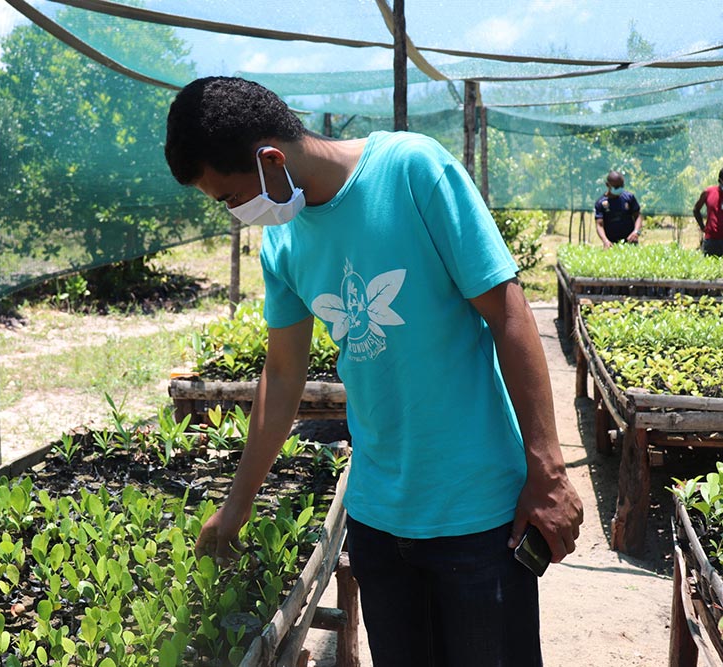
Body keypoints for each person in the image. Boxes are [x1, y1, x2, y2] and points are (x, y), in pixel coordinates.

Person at [164, 76, 583, 666]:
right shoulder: (282, 243)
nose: (237, 213)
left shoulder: (413, 171)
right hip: (378, 522)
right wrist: (233, 509)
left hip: (478, 516)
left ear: (271, 159)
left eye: (231, 197)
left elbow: (509, 313)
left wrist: (548, 470)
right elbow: (282, 376)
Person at [594, 170, 642, 248]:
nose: (619, 189)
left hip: (630, 242)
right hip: (611, 244)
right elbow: (599, 225)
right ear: (607, 185)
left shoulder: (629, 198)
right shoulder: (601, 203)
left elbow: (638, 216)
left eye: (621, 186)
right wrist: (605, 241)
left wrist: (636, 232)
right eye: (616, 187)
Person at [692, 168, 723, 257]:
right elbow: (696, 210)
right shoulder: (709, 192)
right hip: (711, 239)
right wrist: (703, 227)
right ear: (720, 180)